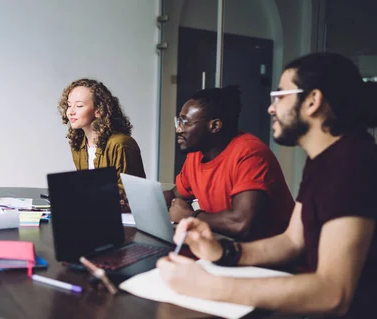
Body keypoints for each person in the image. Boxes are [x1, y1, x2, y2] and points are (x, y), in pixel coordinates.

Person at [157, 52, 377, 319]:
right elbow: (292, 241)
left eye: (280, 96)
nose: (270, 108)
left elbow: (334, 294)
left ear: (312, 101)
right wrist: (225, 252)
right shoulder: (322, 160)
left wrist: (209, 286)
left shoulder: (353, 162)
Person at [166, 86, 293, 241]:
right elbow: (175, 194)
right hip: (228, 247)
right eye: (178, 121)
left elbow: (242, 224)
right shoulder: (196, 155)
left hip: (272, 258)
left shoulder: (250, 154)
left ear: (214, 126)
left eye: (185, 122)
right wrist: (139, 203)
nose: (179, 129)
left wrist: (191, 216)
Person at [57, 78, 146, 209]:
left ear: (98, 110)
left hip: (123, 218)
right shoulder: (78, 144)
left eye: (79, 106)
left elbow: (129, 193)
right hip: (96, 213)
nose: (70, 112)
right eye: (69, 105)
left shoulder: (121, 144)